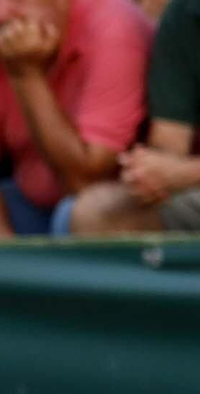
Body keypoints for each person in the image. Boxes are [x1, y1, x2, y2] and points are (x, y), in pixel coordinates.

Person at [0, 0, 152, 239]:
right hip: (30, 199)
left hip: (114, 203)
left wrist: (26, 77)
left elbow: (84, 183)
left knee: (74, 214)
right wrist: (4, 252)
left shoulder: (113, 26)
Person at [68, 0, 200, 234]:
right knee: (93, 212)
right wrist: (147, 172)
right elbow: (169, 146)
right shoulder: (185, 15)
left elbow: (178, 171)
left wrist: (182, 173)